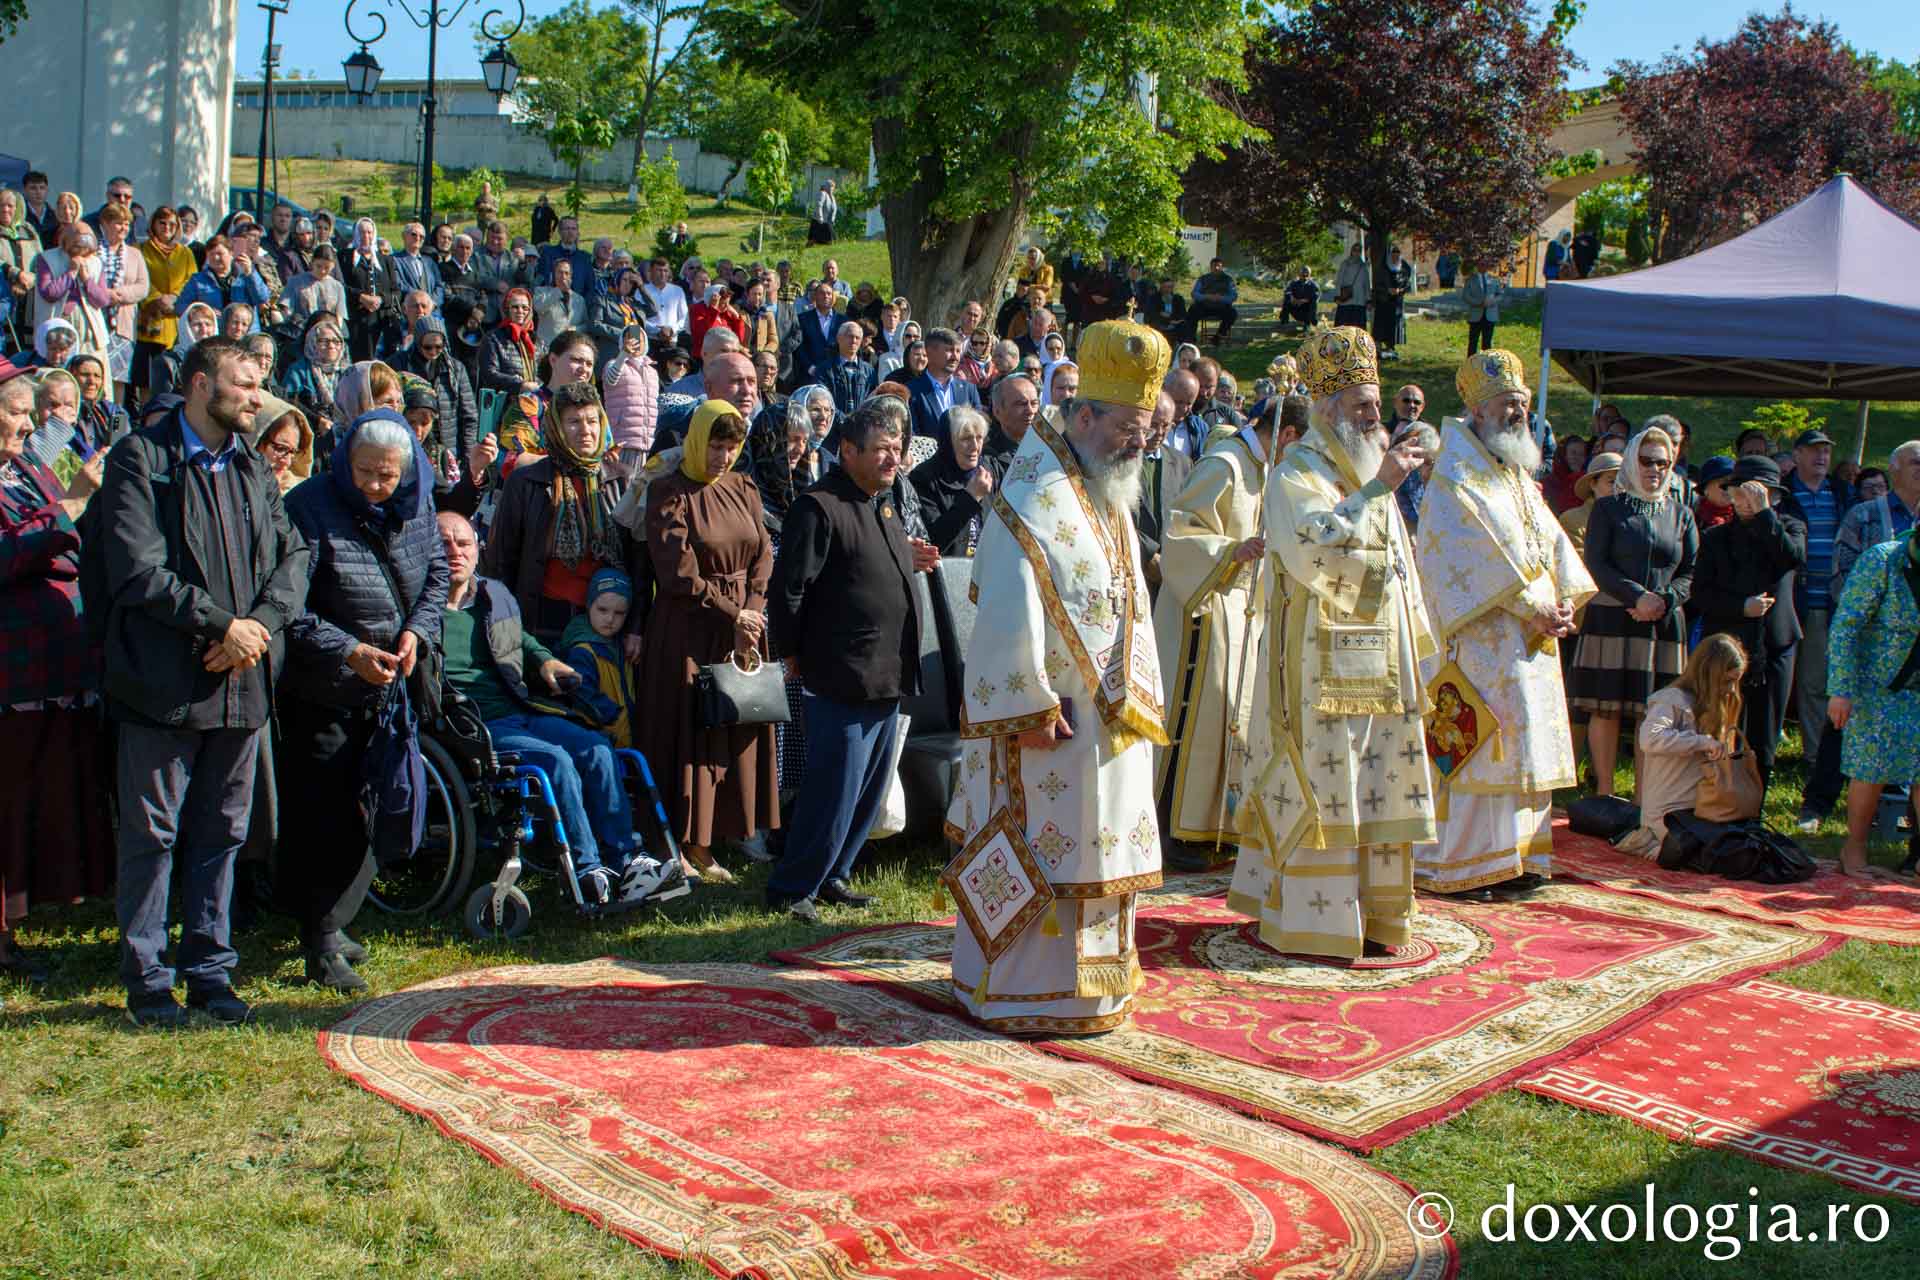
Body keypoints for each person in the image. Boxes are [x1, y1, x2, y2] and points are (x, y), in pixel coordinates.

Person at [945, 318, 1170, 1032]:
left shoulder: (1107, 490)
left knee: (1097, 843)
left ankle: (1100, 985)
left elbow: (1127, 594)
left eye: (1146, 428)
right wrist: (1029, 706)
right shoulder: (1033, 496)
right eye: (1128, 428)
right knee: (1045, 844)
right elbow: (1006, 607)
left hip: (1110, 718)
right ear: (1084, 415)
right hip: (1051, 724)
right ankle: (1021, 989)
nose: (1139, 442)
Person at [94, 337, 309, 1027]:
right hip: (161, 684)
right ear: (198, 385)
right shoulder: (141, 458)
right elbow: (137, 569)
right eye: (244, 385)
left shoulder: (249, 464)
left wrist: (258, 629)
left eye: (259, 385)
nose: (256, 398)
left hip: (240, 682)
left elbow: (293, 557)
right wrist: (221, 625)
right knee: (153, 835)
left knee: (223, 832)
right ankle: (148, 979)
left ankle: (210, 970)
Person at [1226, 324, 1435, 956]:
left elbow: (1398, 560)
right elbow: (1311, 543)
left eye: (1377, 402)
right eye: (1362, 405)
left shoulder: (1371, 469)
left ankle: (1376, 917)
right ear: (1328, 409)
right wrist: (1379, 489)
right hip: (1319, 670)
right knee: (1329, 778)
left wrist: (1417, 637)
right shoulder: (1299, 471)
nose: (1376, 416)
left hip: (1382, 665)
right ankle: (1317, 921)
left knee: (1376, 780)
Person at [277, 409, 446, 992]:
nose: (377, 486)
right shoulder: (308, 506)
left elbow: (437, 578)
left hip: (392, 685)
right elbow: (288, 606)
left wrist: (416, 634)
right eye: (366, 472)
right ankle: (319, 941)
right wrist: (348, 649)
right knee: (325, 813)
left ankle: (336, 921)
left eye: (388, 475)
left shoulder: (417, 502)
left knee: (376, 804)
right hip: (325, 688)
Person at [438, 510, 687, 906]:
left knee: (597, 747)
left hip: (519, 706)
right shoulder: (421, 610)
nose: (455, 552)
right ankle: (589, 870)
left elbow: (516, 638)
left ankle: (627, 862)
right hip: (468, 724)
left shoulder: (491, 595)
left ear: (477, 549)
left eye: (463, 543)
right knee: (555, 760)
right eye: (444, 544)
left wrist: (544, 660)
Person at [1416, 348, 1596, 895]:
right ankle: (1469, 865)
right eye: (1506, 404)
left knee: (1525, 744)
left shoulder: (1514, 472)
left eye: (1521, 404)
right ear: (1477, 410)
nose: (1517, 414)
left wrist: (1563, 600)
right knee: (1484, 744)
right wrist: (1529, 605)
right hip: (1481, 641)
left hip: (1531, 639)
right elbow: (1467, 558)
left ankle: (1519, 859)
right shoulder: (1455, 478)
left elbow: (1550, 544)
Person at [765, 400, 934, 919]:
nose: (893, 457)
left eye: (898, 448)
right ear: (847, 450)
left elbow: (866, 566)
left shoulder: (881, 502)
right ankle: (794, 888)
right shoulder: (818, 506)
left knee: (867, 788)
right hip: (841, 672)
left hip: (887, 671)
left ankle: (834, 873)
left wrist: (908, 557)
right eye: (881, 448)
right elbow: (788, 590)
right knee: (831, 787)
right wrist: (790, 653)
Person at [636, 400, 780, 885]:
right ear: (698, 441)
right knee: (691, 734)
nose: (723, 456)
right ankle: (686, 842)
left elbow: (763, 552)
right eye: (716, 445)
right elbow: (678, 573)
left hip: (743, 627)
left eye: (732, 446)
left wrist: (754, 612)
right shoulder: (669, 492)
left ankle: (724, 833)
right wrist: (732, 613)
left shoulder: (743, 486)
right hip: (690, 631)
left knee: (734, 731)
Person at [0, 371, 111, 984]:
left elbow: (59, 540)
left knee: (39, 803)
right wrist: (68, 506)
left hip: (58, 665)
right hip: (11, 674)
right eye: (18, 412)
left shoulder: (23, 470)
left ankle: (21, 929)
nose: (29, 424)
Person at [1152, 384, 1279, 870]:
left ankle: (1217, 828)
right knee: (1202, 716)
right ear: (1283, 434)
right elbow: (1180, 533)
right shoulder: (1224, 464)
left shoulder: (1262, 469)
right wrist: (1230, 551)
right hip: (1203, 614)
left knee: (1235, 719)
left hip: (1241, 610)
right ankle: (1179, 831)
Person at [1568, 421, 1697, 796]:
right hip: (1612, 616)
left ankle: (1646, 797)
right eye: (1646, 460)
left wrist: (1663, 601)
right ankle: (1605, 793)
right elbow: (1597, 564)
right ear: (1631, 461)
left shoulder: (1682, 514)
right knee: (1605, 708)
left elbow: (1689, 572)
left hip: (1663, 624)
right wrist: (1636, 597)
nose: (1654, 469)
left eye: (1662, 462)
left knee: (1654, 713)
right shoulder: (1608, 509)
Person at [483, 380, 639, 644]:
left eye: (592, 421)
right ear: (556, 427)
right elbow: (501, 560)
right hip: (541, 617)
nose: (586, 431)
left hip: (606, 620)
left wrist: (635, 627)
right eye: (574, 422)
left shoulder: (619, 481)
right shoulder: (527, 481)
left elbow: (636, 561)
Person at [1693, 454, 1805, 793]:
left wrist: (1764, 514)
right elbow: (1701, 594)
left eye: (1756, 494)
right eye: (1739, 493)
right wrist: (1742, 607)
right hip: (1729, 644)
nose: (1745, 501)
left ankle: (1755, 807)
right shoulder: (1716, 538)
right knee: (1721, 725)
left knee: (1764, 731)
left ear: (1775, 497)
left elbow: (1791, 557)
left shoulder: (1789, 528)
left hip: (1776, 643)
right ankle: (1718, 800)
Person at [1826, 527, 1920, 877]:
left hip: (1918, 684)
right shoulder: (1882, 560)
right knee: (1870, 769)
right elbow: (1846, 627)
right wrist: (1841, 689)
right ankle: (1854, 849)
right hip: (1875, 686)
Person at [1778, 427, 1851, 831]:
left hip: (1840, 596)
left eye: (1827, 450)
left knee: (1827, 681)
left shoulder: (1841, 492)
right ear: (1798, 454)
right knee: (1809, 682)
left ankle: (1822, 754)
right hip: (1804, 596)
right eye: (1815, 450)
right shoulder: (1789, 493)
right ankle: (1812, 755)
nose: (1822, 457)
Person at [1619, 636, 1746, 859]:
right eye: (1726, 682)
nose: (1731, 689)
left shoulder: (1717, 701)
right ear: (1707, 675)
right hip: (1669, 812)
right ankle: (1655, 844)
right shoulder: (1672, 700)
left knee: (1738, 849)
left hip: (1703, 807)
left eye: (1735, 681)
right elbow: (1650, 738)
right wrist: (1702, 741)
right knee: (1699, 851)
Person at [559, 568, 643, 749]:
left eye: (619, 613)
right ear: (589, 605)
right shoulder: (582, 651)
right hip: (598, 740)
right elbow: (582, 695)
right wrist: (613, 715)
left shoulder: (621, 646)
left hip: (623, 740)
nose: (610, 619)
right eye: (602, 610)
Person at [909, 405, 995, 557]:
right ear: (948, 442)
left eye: (979, 438)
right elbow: (932, 542)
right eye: (966, 439)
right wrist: (971, 498)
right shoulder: (924, 478)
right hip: (951, 572)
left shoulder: (986, 470)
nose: (975, 446)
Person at [398, 316, 479, 465]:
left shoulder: (456, 369)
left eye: (439, 347)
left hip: (447, 452)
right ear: (418, 342)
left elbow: (469, 416)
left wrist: (468, 456)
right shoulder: (399, 363)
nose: (434, 351)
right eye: (428, 347)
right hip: (409, 448)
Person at [906, 328, 982, 446]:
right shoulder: (911, 391)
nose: (955, 357)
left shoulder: (969, 390)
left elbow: (978, 430)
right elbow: (912, 436)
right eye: (949, 350)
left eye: (958, 351)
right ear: (929, 352)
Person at [602, 325, 659, 466]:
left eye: (640, 340)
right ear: (622, 342)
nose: (635, 343)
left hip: (648, 444)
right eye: (630, 339)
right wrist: (623, 355)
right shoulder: (613, 364)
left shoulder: (653, 372)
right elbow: (611, 379)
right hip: (623, 442)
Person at [1559, 450, 1621, 554]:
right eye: (1612, 482)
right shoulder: (1572, 519)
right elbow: (1576, 561)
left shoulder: (1633, 520)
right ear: (1593, 484)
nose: (1619, 488)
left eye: (1623, 482)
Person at [253, 393, 315, 493]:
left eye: (293, 452)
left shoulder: (295, 496)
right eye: (280, 448)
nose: (287, 462)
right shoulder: (229, 492)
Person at [814, 317, 876, 414]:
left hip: (860, 425)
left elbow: (873, 400)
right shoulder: (824, 369)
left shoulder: (869, 371)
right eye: (850, 336)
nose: (854, 341)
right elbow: (823, 400)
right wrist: (843, 421)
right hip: (833, 425)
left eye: (857, 338)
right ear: (839, 338)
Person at [1372, 246, 1411, 360]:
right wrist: (1387, 290)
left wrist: (1400, 290)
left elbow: (1407, 285)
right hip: (1383, 301)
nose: (1395, 257)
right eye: (1393, 255)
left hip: (1396, 302)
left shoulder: (1404, 268)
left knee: (1394, 325)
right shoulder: (1383, 268)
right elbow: (1377, 285)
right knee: (1381, 324)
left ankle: (1391, 347)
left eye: (1397, 255)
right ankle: (1378, 347)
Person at [1462, 262, 1501, 356]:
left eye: (1485, 264)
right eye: (1481, 264)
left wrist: (1492, 301)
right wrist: (1479, 303)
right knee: (1473, 341)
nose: (1483, 266)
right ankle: (1470, 364)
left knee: (1487, 342)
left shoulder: (1494, 279)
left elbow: (1500, 294)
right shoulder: (1470, 279)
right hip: (1475, 315)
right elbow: (1466, 296)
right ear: (1477, 266)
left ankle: (1485, 364)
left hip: (1490, 315)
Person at [1694, 455, 1736, 530]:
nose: (1729, 487)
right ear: (1705, 488)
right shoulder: (1692, 520)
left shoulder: (1743, 518)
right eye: (1723, 481)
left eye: (1733, 481)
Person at [1333, 242, 1369, 328]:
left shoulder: (1363, 266)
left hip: (1359, 301)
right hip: (1346, 300)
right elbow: (1339, 281)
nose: (1356, 252)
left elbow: (1366, 284)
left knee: (1358, 327)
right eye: (1355, 250)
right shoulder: (1345, 264)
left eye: (1358, 251)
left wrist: (1368, 299)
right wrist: (1337, 296)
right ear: (1351, 251)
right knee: (1344, 326)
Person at [808, 180, 838, 245]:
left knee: (830, 240)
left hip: (828, 220)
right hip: (818, 220)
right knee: (813, 239)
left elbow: (835, 208)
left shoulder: (832, 197)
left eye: (833, 187)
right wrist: (820, 217)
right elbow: (819, 205)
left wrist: (833, 218)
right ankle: (810, 245)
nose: (832, 188)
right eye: (830, 186)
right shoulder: (822, 193)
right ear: (825, 186)